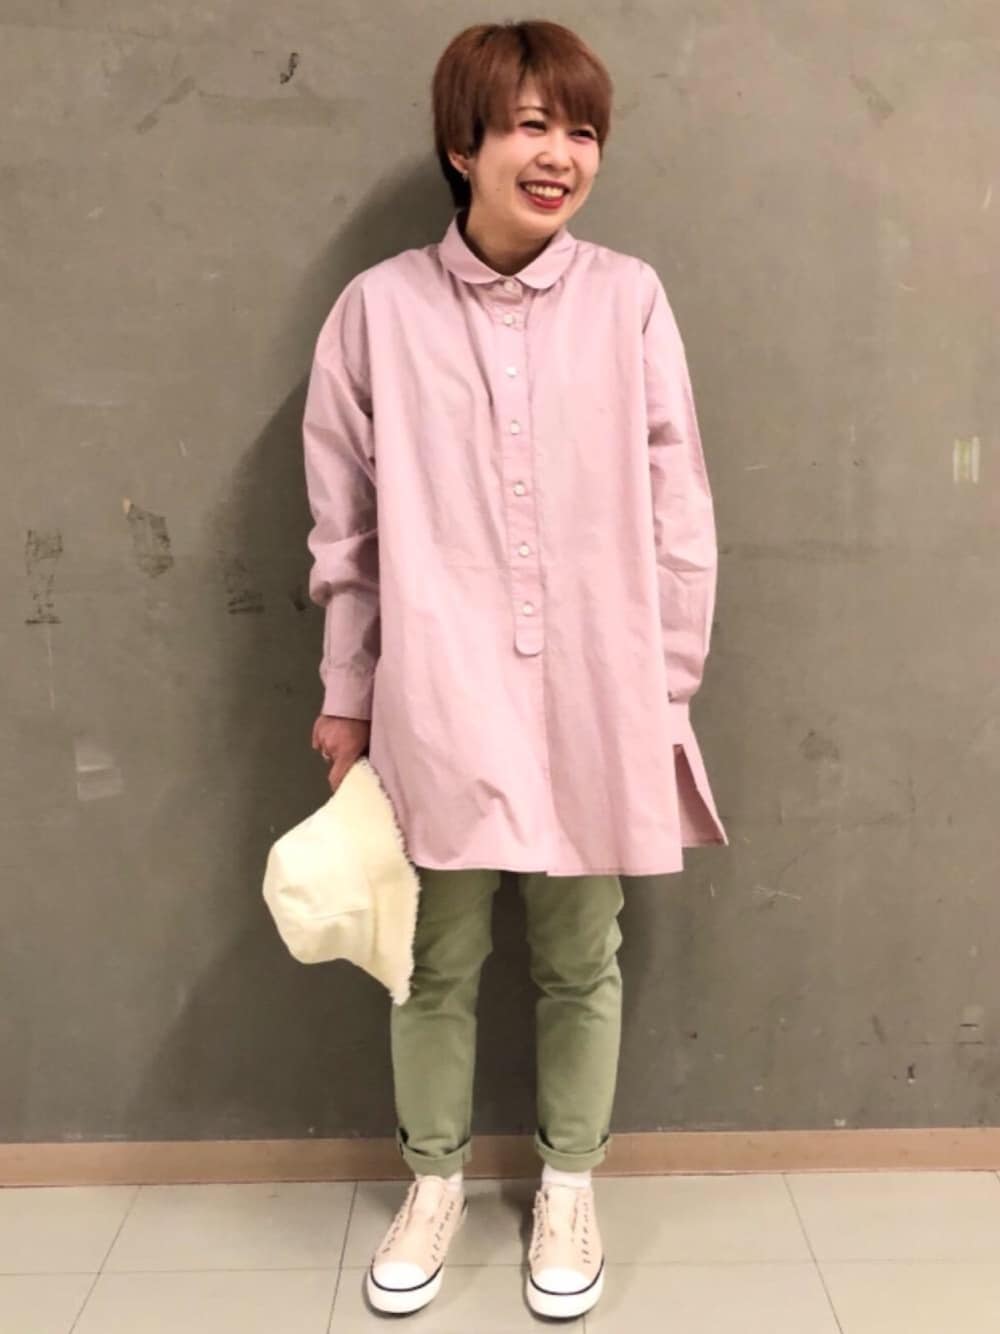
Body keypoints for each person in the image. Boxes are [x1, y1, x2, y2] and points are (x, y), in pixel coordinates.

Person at [302, 18, 728, 1320]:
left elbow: (680, 506)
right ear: (464, 142)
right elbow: (346, 533)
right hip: (437, 693)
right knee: (432, 956)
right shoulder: (377, 312)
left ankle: (569, 1183)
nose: (562, 155)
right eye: (534, 124)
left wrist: (664, 682)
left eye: (583, 130)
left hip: (596, 689)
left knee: (580, 953)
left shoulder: (630, 298)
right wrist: (348, 691)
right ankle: (432, 1182)